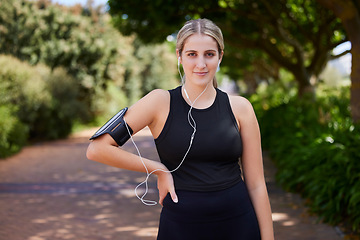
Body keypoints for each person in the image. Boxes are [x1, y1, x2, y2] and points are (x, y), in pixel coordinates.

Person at [86, 18, 274, 240]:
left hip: (239, 225)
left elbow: (257, 185)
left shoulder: (241, 108)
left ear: (220, 56)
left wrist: (268, 238)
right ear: (179, 56)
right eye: (192, 54)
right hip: (181, 228)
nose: (201, 64)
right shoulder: (159, 102)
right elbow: (97, 149)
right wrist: (158, 169)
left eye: (209, 54)